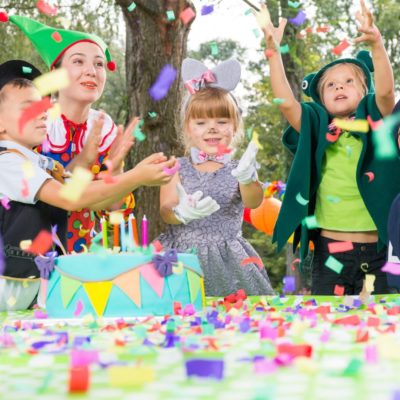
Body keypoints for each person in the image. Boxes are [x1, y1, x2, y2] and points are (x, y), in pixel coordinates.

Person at [0, 60, 177, 310]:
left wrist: (114, 171)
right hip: (7, 284)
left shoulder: (43, 165)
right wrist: (136, 177)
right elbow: (71, 198)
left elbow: (91, 198)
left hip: (32, 286)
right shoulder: (6, 162)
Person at [261, 0, 400, 295]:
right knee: (330, 322)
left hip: (380, 252)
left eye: (349, 81)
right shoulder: (315, 124)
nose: (339, 87)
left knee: (386, 326)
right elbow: (286, 103)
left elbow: (387, 92)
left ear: (364, 93)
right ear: (321, 98)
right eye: (331, 85)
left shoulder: (377, 120)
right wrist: (273, 53)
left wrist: (376, 44)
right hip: (331, 253)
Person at [6, 15, 137, 252]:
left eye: (99, 64)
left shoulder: (105, 130)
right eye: (78, 61)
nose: (91, 71)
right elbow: (61, 194)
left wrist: (116, 173)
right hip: (27, 263)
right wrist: (86, 161)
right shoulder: (31, 125)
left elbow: (113, 212)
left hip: (81, 261)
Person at [157, 58, 274, 297]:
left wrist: (246, 178)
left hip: (230, 261)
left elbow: (253, 202)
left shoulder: (240, 167)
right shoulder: (174, 166)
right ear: (188, 128)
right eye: (201, 122)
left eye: (222, 121)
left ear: (235, 127)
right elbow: (165, 210)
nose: (212, 128)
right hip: (181, 260)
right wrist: (180, 212)